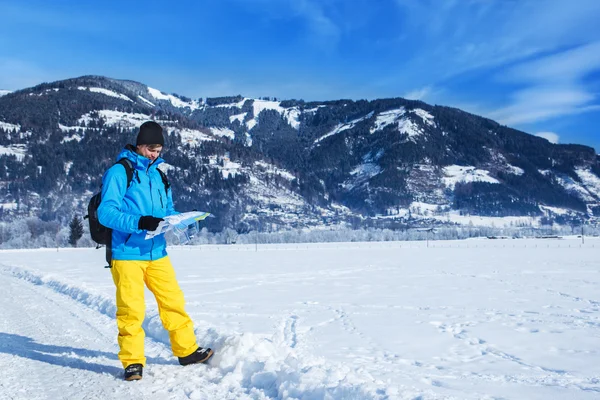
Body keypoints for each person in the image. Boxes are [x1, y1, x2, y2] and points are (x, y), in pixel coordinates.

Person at [98, 121, 213, 381]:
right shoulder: (119, 172)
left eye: (159, 149)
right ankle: (133, 362)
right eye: (151, 148)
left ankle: (186, 351)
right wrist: (139, 222)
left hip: (157, 252)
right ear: (139, 145)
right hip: (127, 253)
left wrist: (182, 220)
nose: (155, 154)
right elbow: (106, 213)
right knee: (131, 310)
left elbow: (167, 211)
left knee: (173, 303)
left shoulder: (159, 175)